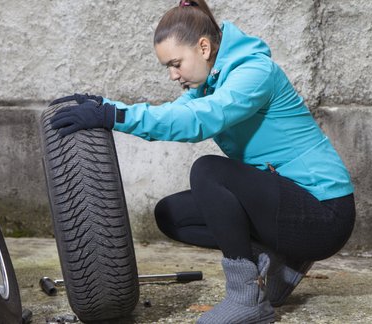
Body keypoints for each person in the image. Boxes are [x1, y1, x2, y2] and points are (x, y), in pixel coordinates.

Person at [49, 0, 356, 323]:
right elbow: (175, 112)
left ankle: (246, 297)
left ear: (204, 47)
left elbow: (200, 119)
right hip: (285, 203)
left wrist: (113, 116)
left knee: (209, 171)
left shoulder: (254, 72)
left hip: (325, 213)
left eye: (176, 63)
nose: (172, 75)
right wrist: (102, 105)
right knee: (172, 214)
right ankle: (280, 259)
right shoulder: (210, 83)